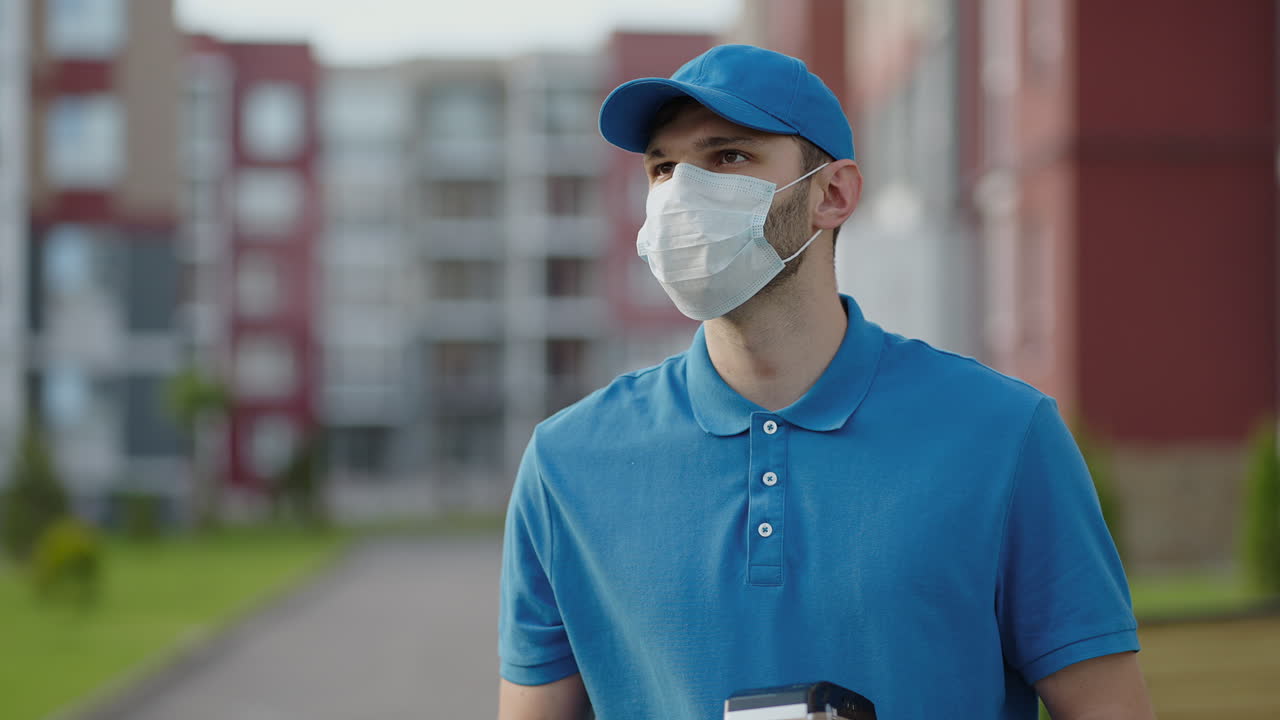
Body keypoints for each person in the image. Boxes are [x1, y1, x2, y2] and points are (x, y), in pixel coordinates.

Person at [498, 44, 1154, 720]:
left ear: (832, 194)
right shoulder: (566, 463)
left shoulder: (1004, 436)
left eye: (728, 157)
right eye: (663, 168)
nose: (681, 196)